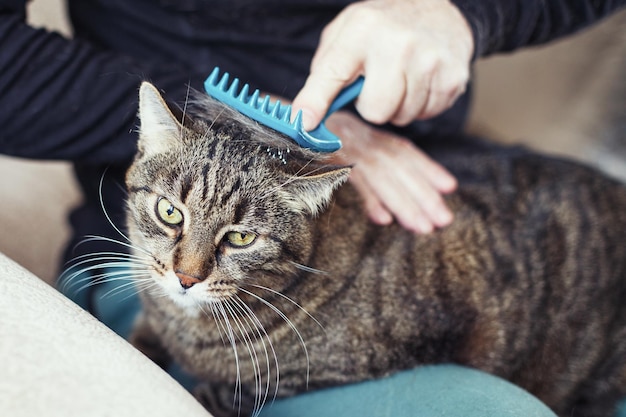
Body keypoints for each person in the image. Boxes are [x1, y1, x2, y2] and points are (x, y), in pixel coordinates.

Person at [1, 0, 626, 415]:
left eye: (228, 243)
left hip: (406, 187)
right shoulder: (177, 244)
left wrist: (464, 15)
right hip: (144, 267)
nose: (191, 268)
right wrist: (233, 113)